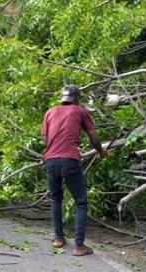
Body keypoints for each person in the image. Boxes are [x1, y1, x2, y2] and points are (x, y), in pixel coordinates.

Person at [41, 85, 106, 256]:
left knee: (55, 198)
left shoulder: (50, 112)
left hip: (50, 159)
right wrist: (101, 152)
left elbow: (45, 138)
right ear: (77, 99)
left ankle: (58, 239)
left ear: (62, 98)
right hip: (69, 159)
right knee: (81, 202)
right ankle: (79, 246)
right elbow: (93, 137)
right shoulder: (80, 111)